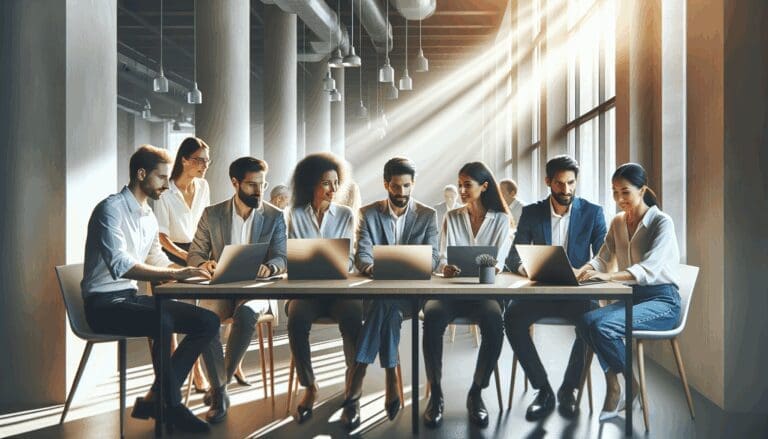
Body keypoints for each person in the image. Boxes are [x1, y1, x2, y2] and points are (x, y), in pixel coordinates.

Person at [80, 145, 218, 433]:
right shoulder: (110, 210)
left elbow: (157, 260)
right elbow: (122, 266)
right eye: (161, 178)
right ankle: (172, 406)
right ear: (141, 174)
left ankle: (160, 397)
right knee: (162, 320)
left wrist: (195, 273)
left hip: (130, 299)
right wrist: (179, 273)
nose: (167, 185)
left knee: (208, 321)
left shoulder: (148, 215)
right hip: (102, 306)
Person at [503, 155, 607, 421]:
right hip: (541, 291)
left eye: (571, 183)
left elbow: (605, 257)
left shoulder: (593, 212)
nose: (567, 190)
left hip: (577, 293)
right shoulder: (532, 212)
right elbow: (513, 257)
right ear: (548, 181)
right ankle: (543, 389)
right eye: (560, 184)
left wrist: (584, 270)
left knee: (592, 322)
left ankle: (568, 390)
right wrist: (528, 269)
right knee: (512, 318)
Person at [575, 163, 681, 421]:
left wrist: (609, 276)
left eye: (625, 192)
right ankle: (620, 385)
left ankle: (626, 389)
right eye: (614, 192)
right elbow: (602, 258)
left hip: (663, 301)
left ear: (642, 190)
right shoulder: (618, 222)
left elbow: (649, 269)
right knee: (586, 322)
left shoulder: (661, 222)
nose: (619, 199)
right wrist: (582, 270)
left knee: (602, 327)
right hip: (632, 298)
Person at [187, 157, 287, 423]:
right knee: (205, 320)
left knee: (245, 315)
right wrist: (204, 263)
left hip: (258, 291)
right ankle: (221, 390)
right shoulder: (212, 214)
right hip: (220, 289)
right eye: (253, 185)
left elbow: (281, 257)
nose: (259, 191)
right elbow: (194, 254)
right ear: (235, 183)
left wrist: (271, 268)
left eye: (263, 185)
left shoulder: (275, 217)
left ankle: (220, 388)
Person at [345, 157, 440, 429]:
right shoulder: (368, 213)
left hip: (411, 296)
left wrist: (402, 266)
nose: (401, 194)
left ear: (413, 184)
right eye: (396, 187)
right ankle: (391, 377)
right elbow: (362, 254)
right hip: (380, 295)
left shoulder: (427, 215)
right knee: (387, 309)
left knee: (383, 307)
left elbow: (433, 259)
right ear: (386, 184)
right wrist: (374, 267)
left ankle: (358, 378)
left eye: (407, 186)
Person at [423, 161, 511, 429]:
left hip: (484, 294)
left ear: (484, 187)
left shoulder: (502, 220)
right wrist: (445, 267)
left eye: (467, 185)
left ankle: (476, 392)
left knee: (495, 324)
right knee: (432, 316)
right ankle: (436, 393)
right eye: (459, 184)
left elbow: (500, 259)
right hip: (451, 291)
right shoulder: (452, 216)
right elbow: (440, 257)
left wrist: (490, 267)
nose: (461, 189)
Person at [284, 153, 363, 424]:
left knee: (353, 319)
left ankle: (352, 392)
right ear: (310, 184)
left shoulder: (345, 214)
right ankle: (310, 387)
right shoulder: (292, 215)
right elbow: (289, 257)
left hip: (339, 290)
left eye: (336, 182)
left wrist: (322, 260)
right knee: (296, 320)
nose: (333, 189)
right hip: (306, 292)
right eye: (326, 183)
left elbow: (349, 258)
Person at [153, 136, 212, 393]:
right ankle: (186, 374)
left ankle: (190, 371)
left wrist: (201, 254)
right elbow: (160, 235)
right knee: (170, 320)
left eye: (207, 161)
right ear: (185, 160)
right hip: (167, 255)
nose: (204, 165)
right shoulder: (165, 191)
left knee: (195, 313)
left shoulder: (203, 186)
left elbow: (205, 223)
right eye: (199, 160)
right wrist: (184, 257)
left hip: (195, 251)